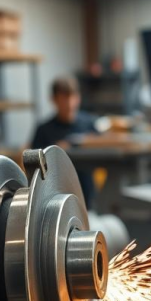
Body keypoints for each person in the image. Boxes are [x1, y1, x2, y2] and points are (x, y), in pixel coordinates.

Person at [29, 76, 98, 207]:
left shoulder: (89, 123)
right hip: (57, 195)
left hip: (87, 193)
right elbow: (35, 168)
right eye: (64, 98)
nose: (70, 103)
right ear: (54, 99)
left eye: (73, 97)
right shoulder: (43, 130)